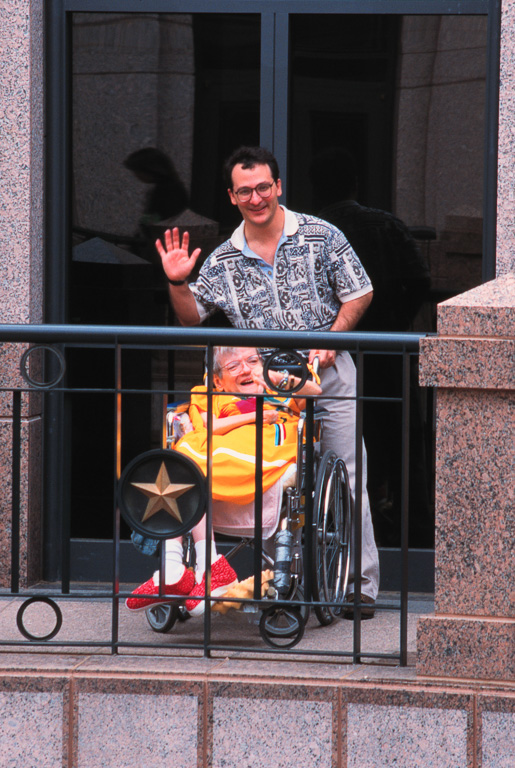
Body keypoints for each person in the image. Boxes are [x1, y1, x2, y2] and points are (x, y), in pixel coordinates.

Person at [155, 146, 380, 618]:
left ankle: (359, 585)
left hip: (326, 373)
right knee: (260, 467)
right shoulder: (223, 259)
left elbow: (359, 291)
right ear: (232, 197)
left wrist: (334, 341)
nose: (255, 197)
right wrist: (178, 282)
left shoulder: (321, 235)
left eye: (263, 187)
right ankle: (219, 570)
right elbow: (192, 317)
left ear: (278, 187)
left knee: (347, 469)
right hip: (260, 385)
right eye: (244, 191)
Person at [127, 345, 321, 617]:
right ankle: (182, 568)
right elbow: (209, 426)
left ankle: (190, 570)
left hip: (266, 454)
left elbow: (316, 393)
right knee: (181, 463)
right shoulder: (210, 396)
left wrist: (274, 379)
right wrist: (254, 415)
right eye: (233, 366)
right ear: (217, 380)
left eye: (252, 361)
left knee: (186, 472)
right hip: (215, 457)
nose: (246, 369)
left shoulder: (284, 388)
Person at [311, 148, 433, 547]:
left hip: (331, 356)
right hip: (389, 351)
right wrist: (396, 319)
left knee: (336, 445)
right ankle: (410, 535)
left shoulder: (312, 231)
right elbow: (420, 280)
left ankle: (338, 535)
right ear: (355, 184)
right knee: (400, 440)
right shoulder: (384, 225)